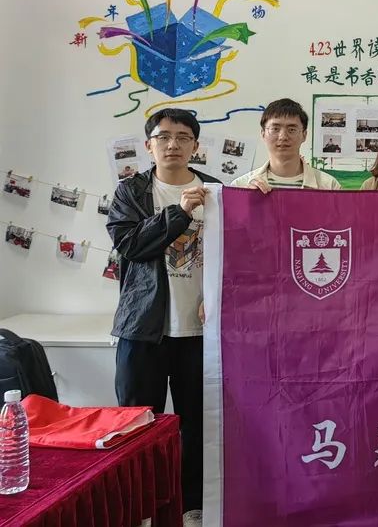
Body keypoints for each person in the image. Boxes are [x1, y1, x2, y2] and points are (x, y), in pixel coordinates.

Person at [106, 108, 219, 523]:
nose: (173, 144)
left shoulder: (216, 191)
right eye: (164, 137)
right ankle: (140, 507)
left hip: (202, 332)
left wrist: (221, 298)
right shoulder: (131, 192)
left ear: (195, 145)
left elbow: (241, 253)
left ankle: (192, 506)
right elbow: (130, 245)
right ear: (149, 145)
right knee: (137, 425)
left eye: (183, 137)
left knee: (199, 427)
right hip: (143, 327)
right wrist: (179, 213)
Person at [232, 98, 342, 192]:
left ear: (304, 135)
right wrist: (246, 200)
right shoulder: (241, 187)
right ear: (263, 134)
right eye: (275, 129)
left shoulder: (329, 187)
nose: (283, 137)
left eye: (292, 129)